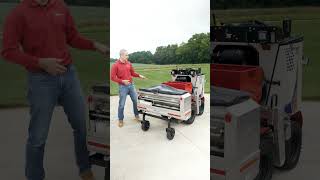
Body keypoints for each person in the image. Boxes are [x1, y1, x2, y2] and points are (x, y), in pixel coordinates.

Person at [1, 0, 108, 180]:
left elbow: (72, 37)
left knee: (82, 126)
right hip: (40, 80)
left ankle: (85, 170)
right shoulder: (19, 13)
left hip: (69, 75)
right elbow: (8, 51)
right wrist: (40, 63)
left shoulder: (60, 6)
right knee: (38, 137)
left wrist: (94, 44)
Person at [110, 49, 146, 127]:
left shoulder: (129, 63)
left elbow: (132, 73)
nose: (128, 56)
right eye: (126, 55)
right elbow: (112, 77)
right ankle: (120, 119)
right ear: (121, 55)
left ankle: (136, 116)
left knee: (135, 101)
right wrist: (122, 81)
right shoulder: (115, 65)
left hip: (131, 85)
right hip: (123, 87)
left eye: (127, 55)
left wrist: (139, 75)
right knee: (122, 104)